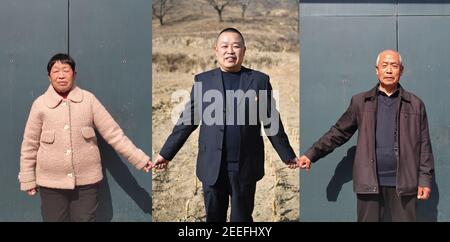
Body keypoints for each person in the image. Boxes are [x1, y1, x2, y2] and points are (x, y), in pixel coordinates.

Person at [151, 28, 299, 222]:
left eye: (236, 46)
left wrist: (287, 155)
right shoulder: (203, 81)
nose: (230, 51)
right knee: (214, 219)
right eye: (225, 46)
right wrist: (165, 153)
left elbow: (271, 122)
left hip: (245, 166)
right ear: (216, 50)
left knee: (241, 219)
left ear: (244, 51)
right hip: (212, 165)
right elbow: (187, 121)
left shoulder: (259, 80)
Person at [297, 49, 434, 222]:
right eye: (384, 66)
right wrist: (312, 154)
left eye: (394, 66)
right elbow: (338, 132)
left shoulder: (415, 104)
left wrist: (425, 180)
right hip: (369, 183)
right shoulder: (360, 102)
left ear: (402, 70)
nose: (389, 70)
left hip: (404, 184)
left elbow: (424, 146)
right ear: (377, 70)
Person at [18, 53, 152, 222]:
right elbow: (29, 145)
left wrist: (140, 159)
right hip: (50, 183)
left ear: (74, 74)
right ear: (49, 76)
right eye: (55, 71)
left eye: (66, 70)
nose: (61, 75)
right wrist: (28, 179)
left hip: (86, 183)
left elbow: (114, 133)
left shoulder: (88, 100)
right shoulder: (40, 105)